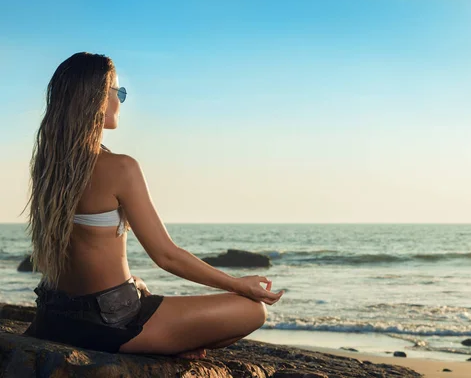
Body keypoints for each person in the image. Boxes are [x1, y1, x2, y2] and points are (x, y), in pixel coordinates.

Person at [23, 52, 284, 359]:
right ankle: (165, 345)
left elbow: (80, 252)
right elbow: (167, 256)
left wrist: (128, 283)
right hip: (112, 325)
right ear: (96, 99)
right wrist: (239, 285)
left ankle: (166, 340)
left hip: (55, 317)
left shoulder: (49, 167)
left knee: (138, 288)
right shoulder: (120, 168)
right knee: (252, 311)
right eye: (118, 92)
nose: (120, 101)